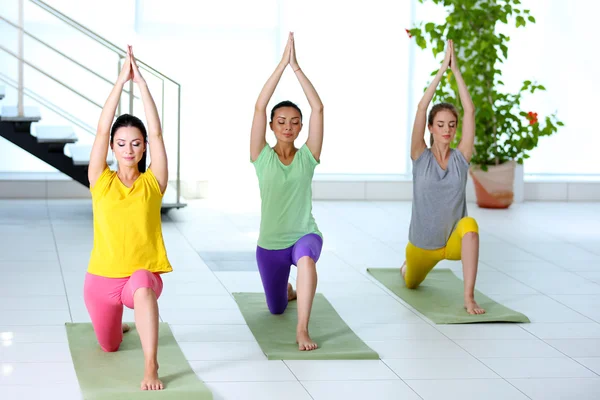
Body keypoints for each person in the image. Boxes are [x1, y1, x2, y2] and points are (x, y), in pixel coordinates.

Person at [85, 45, 172, 390]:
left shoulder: (154, 183)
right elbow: (101, 130)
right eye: (121, 144)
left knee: (142, 285)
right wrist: (121, 82)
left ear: (144, 147)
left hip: (141, 277)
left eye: (136, 144)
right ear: (112, 148)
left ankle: (151, 365)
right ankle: (116, 324)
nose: (128, 150)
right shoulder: (100, 180)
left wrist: (143, 85)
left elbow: (159, 132)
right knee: (108, 345)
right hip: (100, 282)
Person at [250, 33, 324, 350]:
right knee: (276, 307)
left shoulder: (308, 157)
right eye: (281, 121)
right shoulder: (261, 157)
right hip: (270, 246)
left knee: (307, 259)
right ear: (272, 126)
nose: (288, 126)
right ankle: (288, 291)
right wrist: (281, 65)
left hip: (303, 234)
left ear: (300, 127)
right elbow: (258, 106)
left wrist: (296, 68)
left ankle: (302, 330)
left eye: (295, 122)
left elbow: (318, 108)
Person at [402, 39, 485, 315]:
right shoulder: (419, 155)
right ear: (431, 128)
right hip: (421, 246)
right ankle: (406, 267)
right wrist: (441, 71)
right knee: (411, 282)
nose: (447, 129)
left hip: (451, 244)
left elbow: (470, 110)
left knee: (470, 225)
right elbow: (420, 108)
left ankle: (469, 297)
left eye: (451, 125)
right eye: (441, 125)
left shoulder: (461, 158)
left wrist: (456, 71)